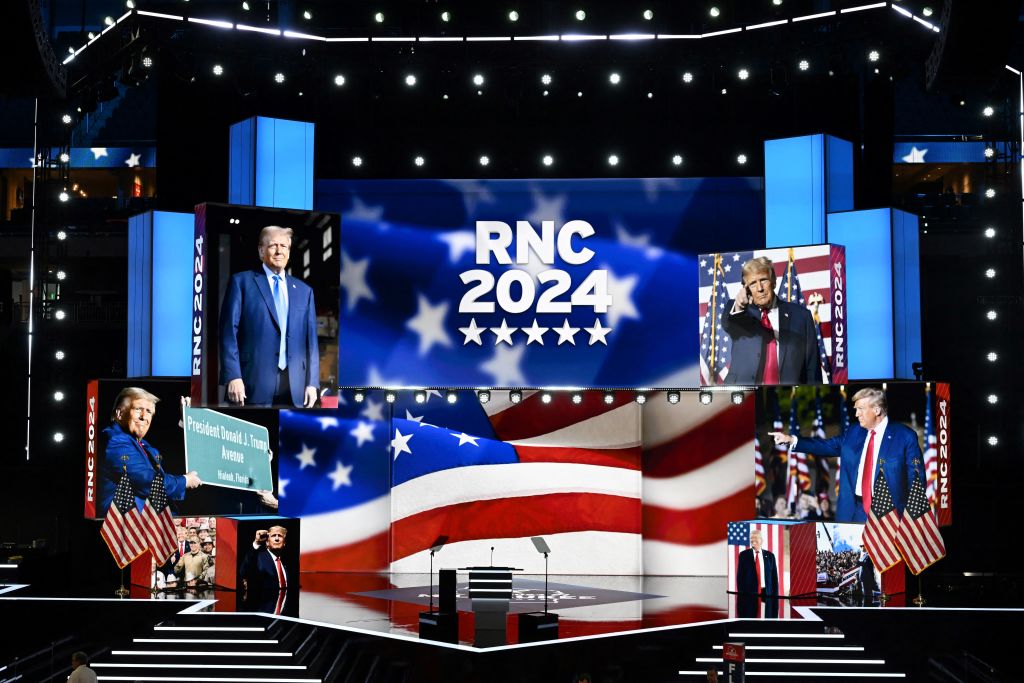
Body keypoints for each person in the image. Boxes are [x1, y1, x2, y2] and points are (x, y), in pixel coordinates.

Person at [770, 387, 923, 523]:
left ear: (877, 410)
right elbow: (826, 446)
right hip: (854, 512)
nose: (856, 414)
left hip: (890, 516)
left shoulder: (905, 437)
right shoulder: (853, 432)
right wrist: (792, 440)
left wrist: (910, 520)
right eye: (856, 409)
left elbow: (916, 480)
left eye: (861, 409)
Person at [219, 225, 319, 407]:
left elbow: (311, 342)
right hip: (251, 383)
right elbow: (228, 332)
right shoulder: (241, 282)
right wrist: (233, 375)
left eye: (284, 246)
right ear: (261, 250)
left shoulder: (305, 292)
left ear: (289, 252)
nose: (279, 251)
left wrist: (312, 383)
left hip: (295, 387)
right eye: (273, 245)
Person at [97, 388, 202, 516]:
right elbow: (147, 481)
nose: (144, 417)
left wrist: (186, 424)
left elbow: (171, 458)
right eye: (138, 409)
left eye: (148, 412)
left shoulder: (143, 445)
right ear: (119, 414)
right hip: (131, 528)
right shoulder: (116, 441)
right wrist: (185, 481)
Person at [722, 256, 822, 385]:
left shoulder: (801, 316)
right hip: (741, 394)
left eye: (763, 280)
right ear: (746, 288)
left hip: (785, 394)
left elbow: (812, 367)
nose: (759, 288)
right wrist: (740, 306)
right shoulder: (736, 310)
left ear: (773, 281)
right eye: (752, 283)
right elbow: (728, 324)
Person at [240, 525, 297, 615]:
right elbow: (244, 570)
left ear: (284, 543)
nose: (277, 539)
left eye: (280, 536)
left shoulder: (287, 564)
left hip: (282, 616)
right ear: (267, 542)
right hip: (262, 615)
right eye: (274, 536)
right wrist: (256, 543)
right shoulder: (259, 557)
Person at [736, 528, 779, 596]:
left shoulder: (770, 556)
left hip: (767, 593)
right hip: (749, 594)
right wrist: (741, 596)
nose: (753, 540)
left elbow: (774, 577)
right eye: (751, 538)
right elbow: (740, 578)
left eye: (755, 537)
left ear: (761, 540)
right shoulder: (743, 555)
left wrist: (775, 596)